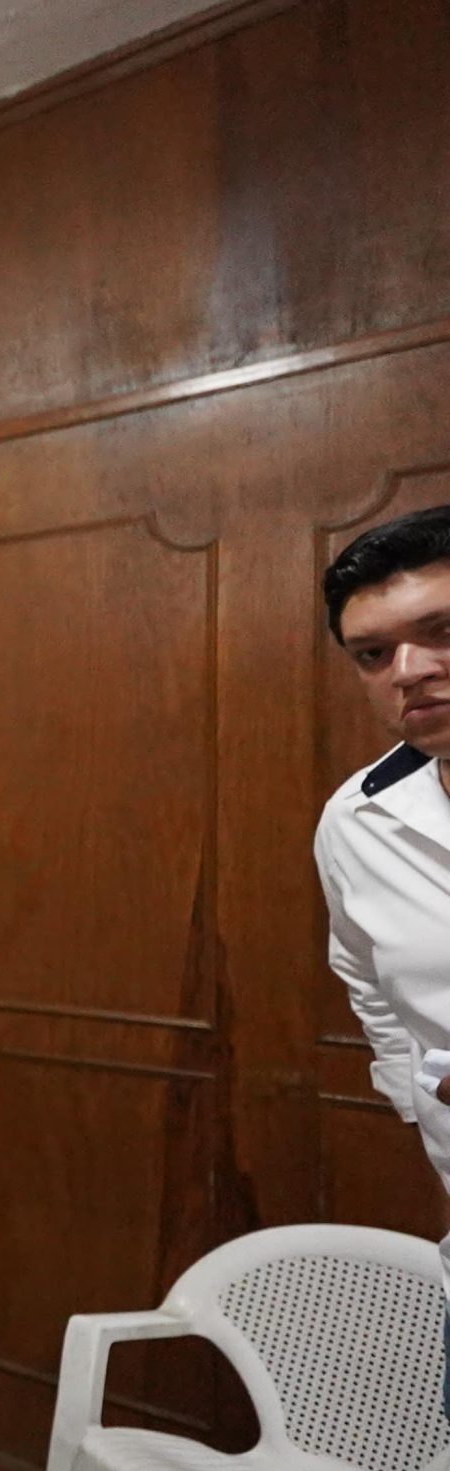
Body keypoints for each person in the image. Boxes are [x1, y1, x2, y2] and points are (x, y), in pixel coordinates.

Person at [313, 504, 450, 1410]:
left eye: (443, 631)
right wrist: (419, 1096)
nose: (410, 672)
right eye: (373, 653)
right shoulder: (357, 817)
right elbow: (364, 976)